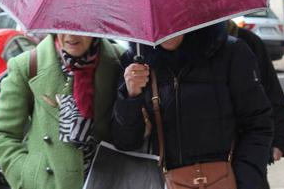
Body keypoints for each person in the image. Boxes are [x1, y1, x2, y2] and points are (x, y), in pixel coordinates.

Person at [112, 23, 274, 189]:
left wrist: (243, 182)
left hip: (229, 181)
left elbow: (258, 125)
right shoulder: (134, 63)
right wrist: (130, 97)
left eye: (173, 16)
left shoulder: (231, 52)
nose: (166, 27)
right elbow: (126, 143)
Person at [0, 34, 122, 189]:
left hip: (108, 180)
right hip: (48, 183)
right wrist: (28, 175)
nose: (71, 35)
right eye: (63, 27)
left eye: (78, 28)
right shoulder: (28, 65)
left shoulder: (120, 61)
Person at [228, 22, 284, 189]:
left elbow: (271, 89)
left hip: (247, 143)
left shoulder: (247, 41)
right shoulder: (182, 47)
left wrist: (280, 137)